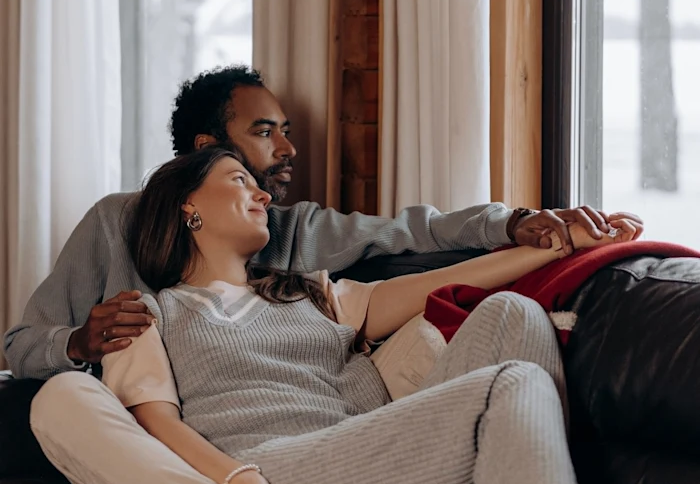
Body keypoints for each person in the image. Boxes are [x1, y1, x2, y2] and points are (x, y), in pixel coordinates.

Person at [32, 147, 639, 484]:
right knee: (515, 383)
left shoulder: (312, 293)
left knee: (513, 312)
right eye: (240, 179)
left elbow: (444, 284)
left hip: (369, 466)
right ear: (188, 207)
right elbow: (157, 426)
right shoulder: (148, 315)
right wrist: (244, 483)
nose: (264, 193)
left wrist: (561, 245)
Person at [4, 64, 635, 380]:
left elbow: (417, 230)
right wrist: (80, 344)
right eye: (263, 133)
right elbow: (17, 346)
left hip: (287, 423)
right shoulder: (116, 223)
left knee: (503, 325)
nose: (288, 150)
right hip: (148, 424)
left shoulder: (294, 231)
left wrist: (520, 223)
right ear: (203, 149)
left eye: (287, 131)